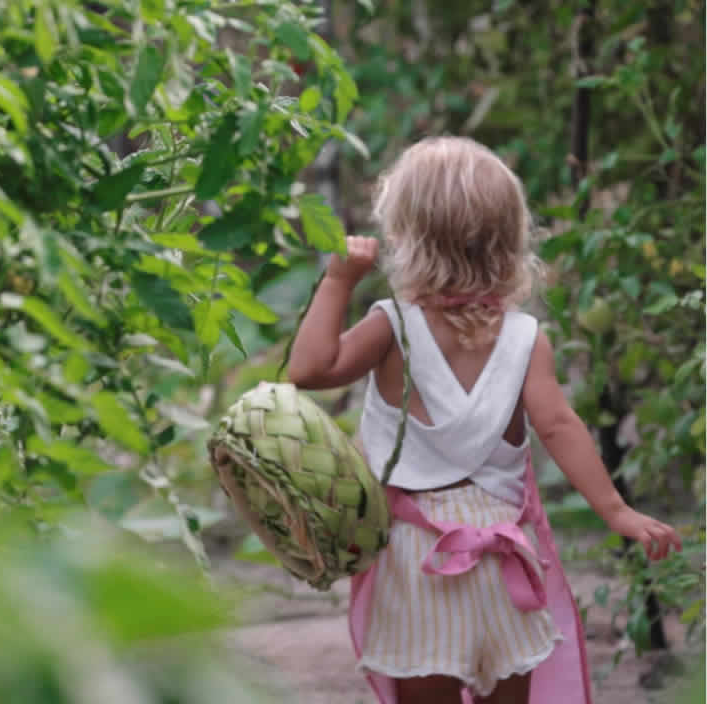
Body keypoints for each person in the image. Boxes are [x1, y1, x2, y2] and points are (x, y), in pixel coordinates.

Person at [287, 136, 681, 704]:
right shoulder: (525, 338)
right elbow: (560, 426)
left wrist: (337, 282)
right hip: (505, 556)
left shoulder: (390, 327)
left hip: (417, 556)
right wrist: (615, 510)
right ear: (510, 243)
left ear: (405, 240)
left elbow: (308, 369)